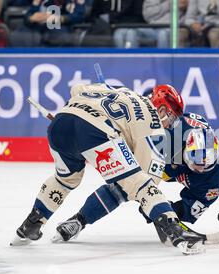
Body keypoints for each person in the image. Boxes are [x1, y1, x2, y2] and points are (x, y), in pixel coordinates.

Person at [52, 108, 219, 245]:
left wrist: (160, 213)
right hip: (168, 164)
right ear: (184, 152)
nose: (200, 167)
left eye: (204, 164)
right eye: (196, 162)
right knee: (122, 186)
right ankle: (78, 221)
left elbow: (187, 214)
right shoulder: (168, 140)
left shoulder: (211, 177)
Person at [11, 84, 204, 255]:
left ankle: (31, 224)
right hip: (96, 133)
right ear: (161, 108)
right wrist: (159, 208)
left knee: (65, 179)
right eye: (172, 116)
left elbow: (77, 89)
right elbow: (147, 180)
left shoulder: (121, 91)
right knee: (140, 183)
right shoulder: (154, 124)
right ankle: (176, 231)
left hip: (60, 124)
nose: (171, 123)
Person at [9, 0, 86, 47]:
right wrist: (31, 18)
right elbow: (29, 14)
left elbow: (79, 16)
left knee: (58, 35)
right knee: (17, 35)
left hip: (61, 27)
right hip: (37, 26)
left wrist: (62, 18)